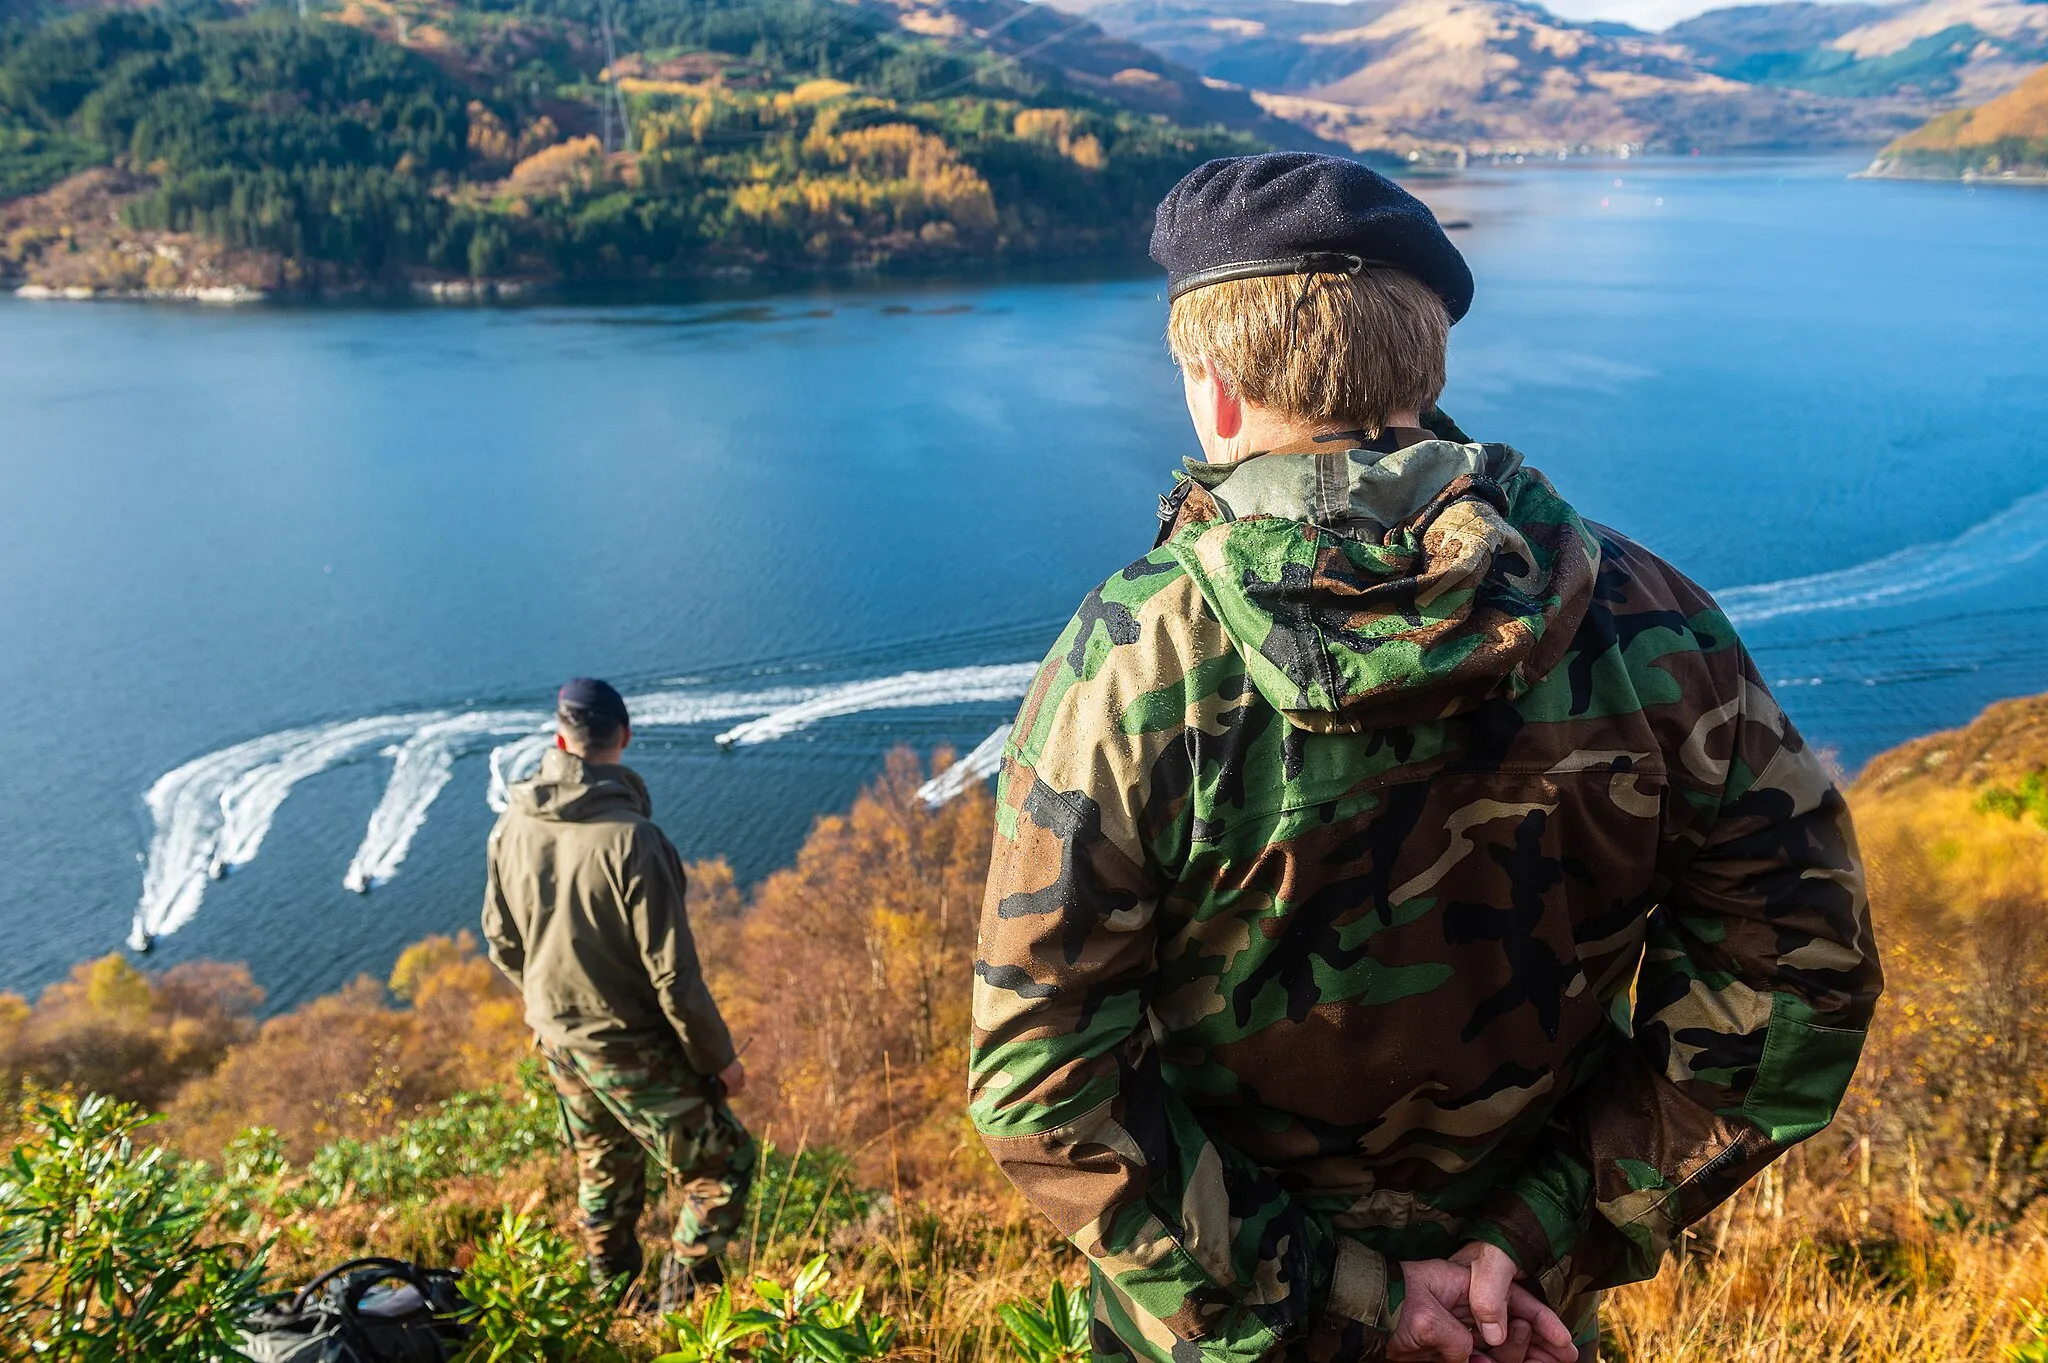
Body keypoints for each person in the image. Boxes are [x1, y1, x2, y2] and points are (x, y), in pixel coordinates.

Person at [967, 153, 1882, 1363]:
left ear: (1215, 391)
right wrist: (1541, 1231)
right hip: (1520, 1316)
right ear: (1424, 361)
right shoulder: (1646, 616)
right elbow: (1799, 968)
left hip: (1233, 1327)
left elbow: (1042, 1080)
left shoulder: (1131, 660)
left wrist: (1346, 1295)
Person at [482, 677, 753, 1309]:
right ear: (623, 739)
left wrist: (546, 1006)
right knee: (725, 1168)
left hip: (558, 1040)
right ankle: (679, 1307)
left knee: (604, 1168)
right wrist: (719, 1061)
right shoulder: (633, 841)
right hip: (626, 1043)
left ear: (559, 739)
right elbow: (674, 978)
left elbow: (500, 940)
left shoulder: (510, 826)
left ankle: (610, 1303)